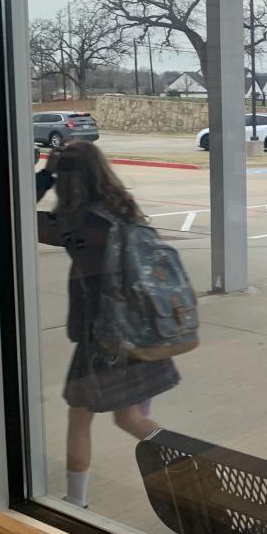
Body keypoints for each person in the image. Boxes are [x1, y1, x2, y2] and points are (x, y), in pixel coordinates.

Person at [36, 142, 179, 508]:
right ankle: (188, 471)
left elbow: (17, 215)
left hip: (104, 338)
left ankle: (76, 502)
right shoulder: (122, 208)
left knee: (81, 417)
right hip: (142, 330)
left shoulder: (77, 223)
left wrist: (45, 175)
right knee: (129, 417)